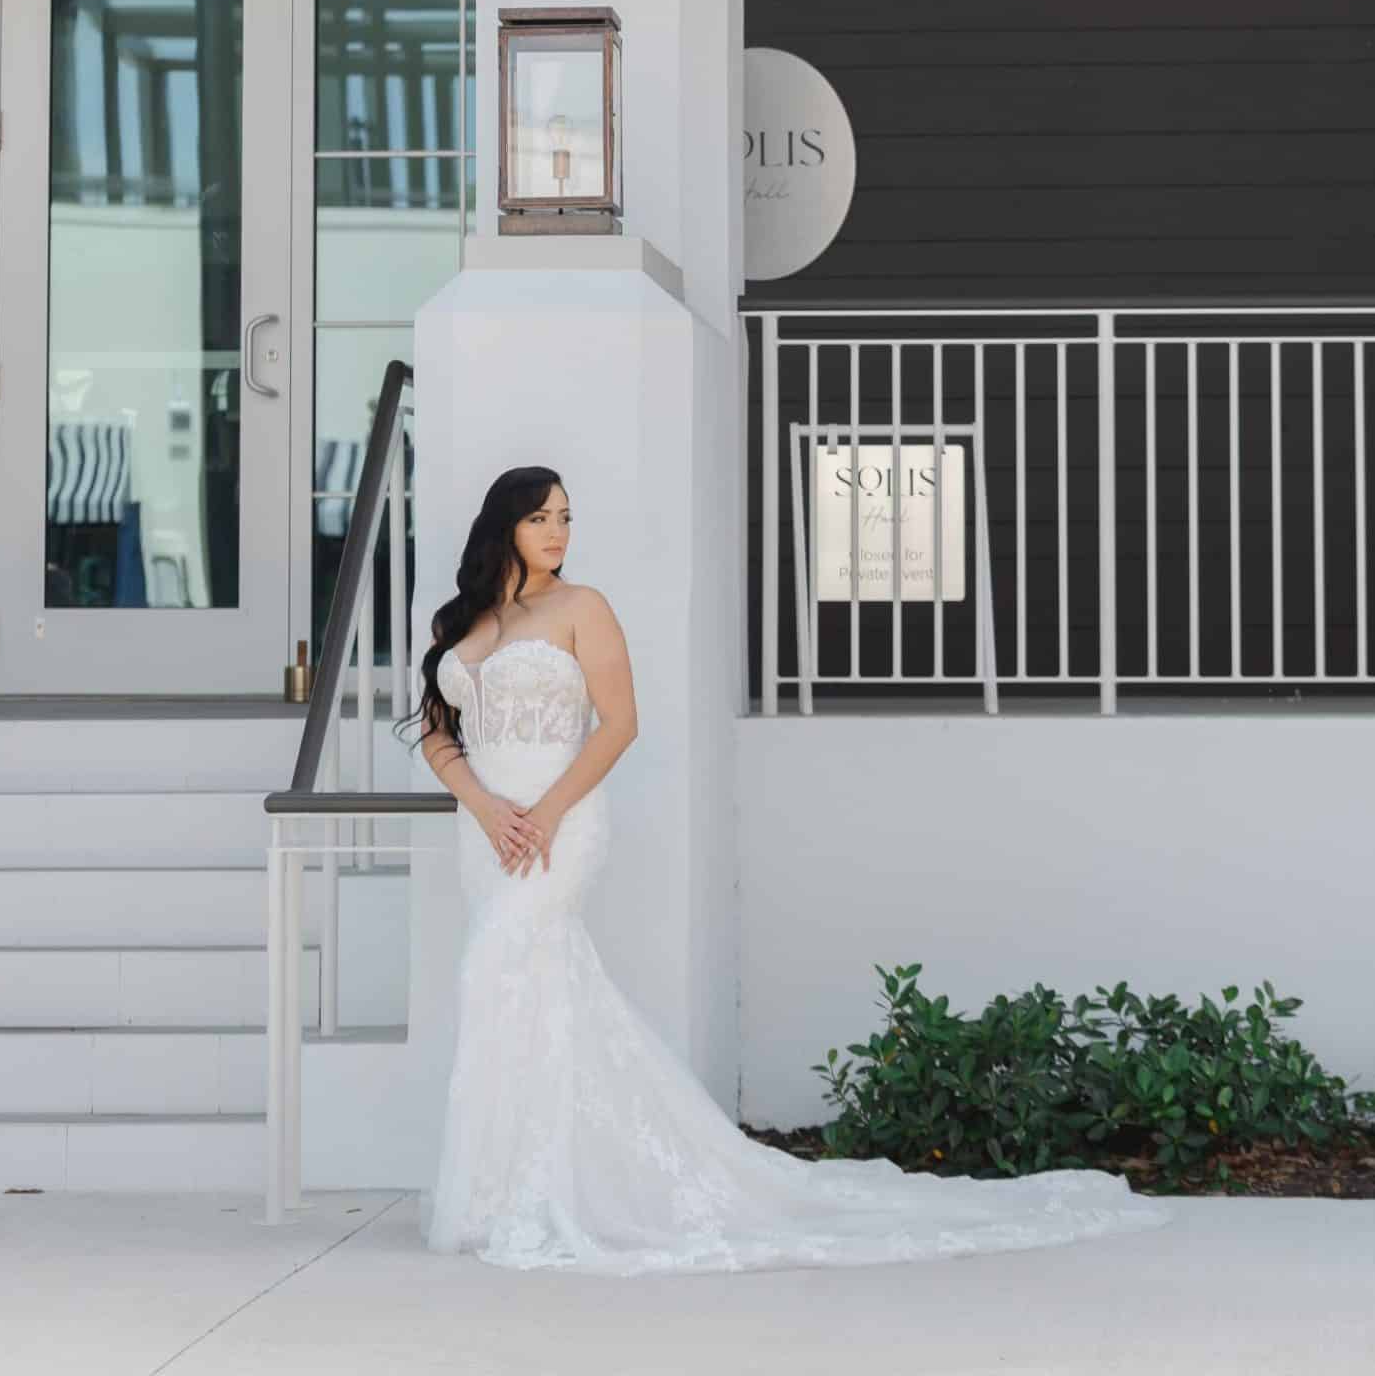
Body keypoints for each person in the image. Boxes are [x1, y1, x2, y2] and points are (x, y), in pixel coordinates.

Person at [410, 462, 1171, 1275]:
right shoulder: (468, 618)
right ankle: (516, 1186)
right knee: (533, 991)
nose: (558, 532)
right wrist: (484, 807)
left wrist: (548, 811)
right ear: (505, 527)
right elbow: (435, 731)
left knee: (498, 973)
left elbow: (619, 723)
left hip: (558, 825)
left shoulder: (583, 607)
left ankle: (532, 1191)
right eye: (540, 520)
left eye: (566, 516)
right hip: (488, 832)